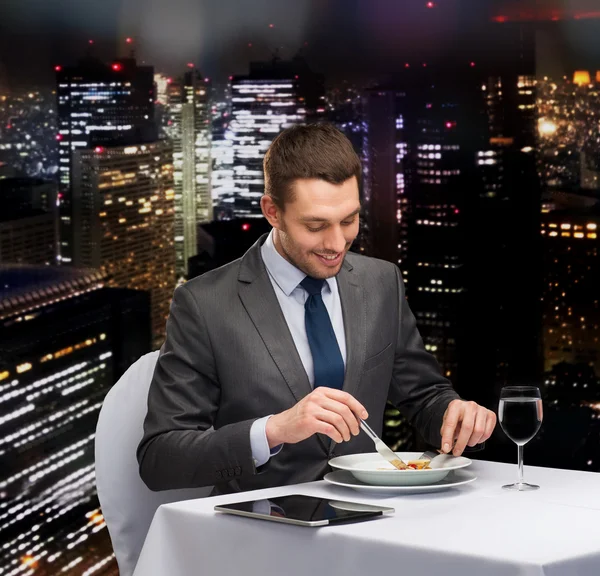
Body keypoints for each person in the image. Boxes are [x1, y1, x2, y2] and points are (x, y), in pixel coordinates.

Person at [137, 123, 496, 494]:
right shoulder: (204, 304)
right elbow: (160, 459)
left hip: (374, 524)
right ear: (272, 212)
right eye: (316, 225)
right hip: (262, 531)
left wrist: (458, 416)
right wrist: (274, 430)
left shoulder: (381, 281)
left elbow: (423, 396)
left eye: (349, 220)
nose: (337, 243)